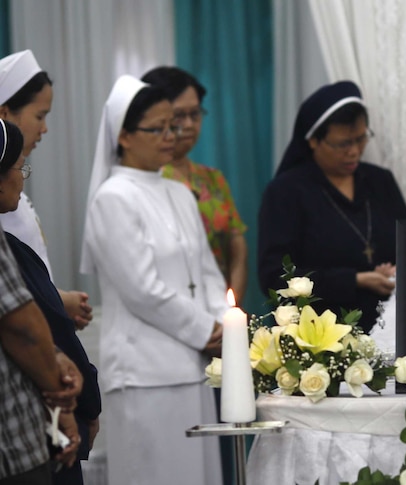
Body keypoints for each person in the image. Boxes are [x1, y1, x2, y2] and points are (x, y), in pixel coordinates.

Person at [81, 75, 226, 485]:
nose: (170, 136)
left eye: (173, 126)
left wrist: (223, 324)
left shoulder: (178, 192)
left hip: (193, 365)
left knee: (200, 475)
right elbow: (142, 289)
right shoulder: (113, 197)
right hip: (144, 372)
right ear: (124, 136)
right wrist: (207, 329)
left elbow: (207, 271)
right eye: (158, 128)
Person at [259, 81, 406, 333]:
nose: (354, 152)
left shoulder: (380, 181)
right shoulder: (286, 192)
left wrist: (393, 270)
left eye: (361, 139)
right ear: (313, 141)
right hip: (318, 335)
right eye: (342, 144)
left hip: (390, 327)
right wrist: (355, 280)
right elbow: (274, 276)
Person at [0, 114, 99, 484]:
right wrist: (63, 394)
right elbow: (23, 328)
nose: (21, 177)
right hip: (15, 444)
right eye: (18, 167)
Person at [0, 50, 93, 331]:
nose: (44, 129)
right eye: (40, 116)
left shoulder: (16, 191)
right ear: (4, 114)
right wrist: (60, 301)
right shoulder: (4, 195)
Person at [140, 67, 249, 304]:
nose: (189, 124)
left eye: (195, 114)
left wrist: (231, 305)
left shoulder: (212, 179)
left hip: (221, 306)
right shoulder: (147, 181)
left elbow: (237, 247)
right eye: (179, 116)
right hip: (170, 307)